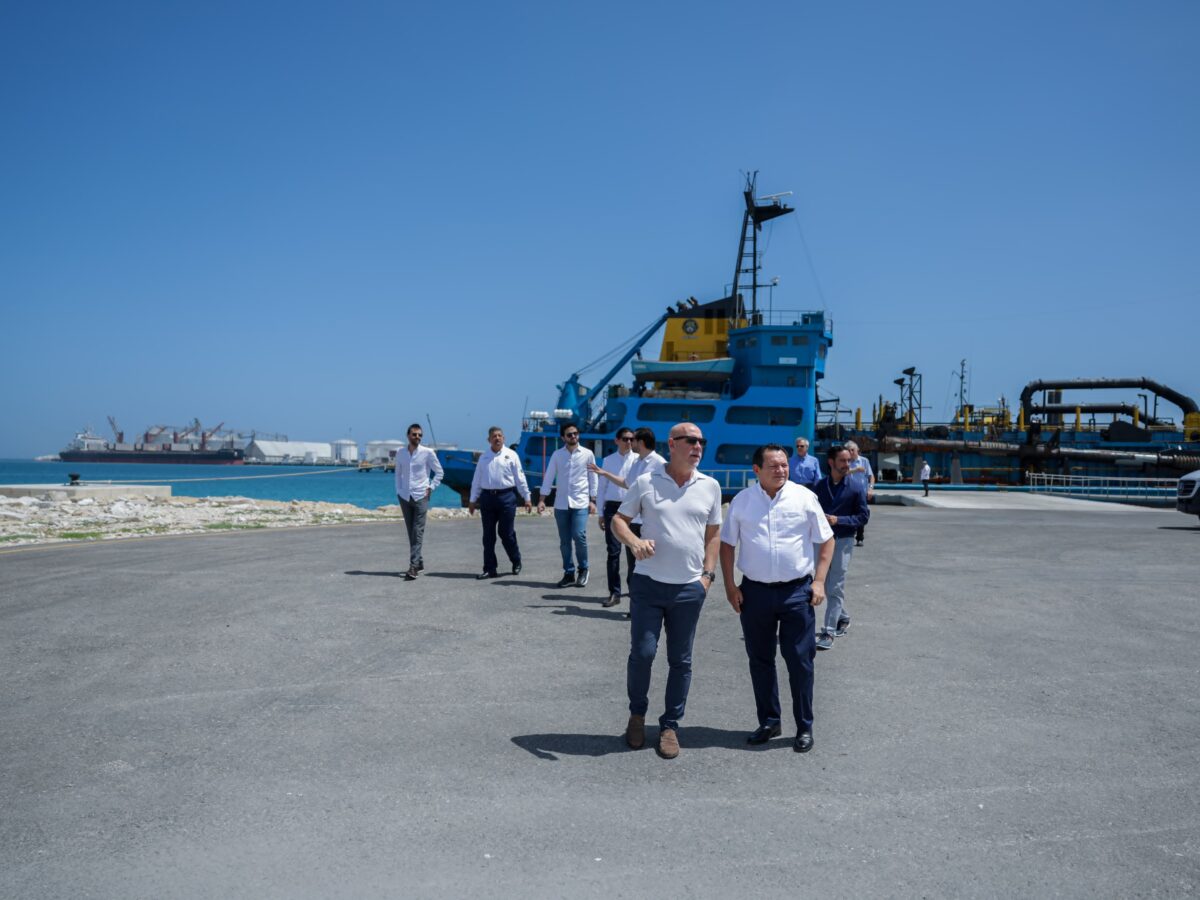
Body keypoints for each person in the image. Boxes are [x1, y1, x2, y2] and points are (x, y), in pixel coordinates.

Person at [611, 422, 722, 760]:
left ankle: (670, 725)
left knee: (681, 660)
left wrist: (707, 576)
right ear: (672, 444)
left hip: (689, 588)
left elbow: (713, 533)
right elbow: (619, 520)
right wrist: (633, 541)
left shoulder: (710, 486)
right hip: (647, 584)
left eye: (702, 441)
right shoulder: (646, 481)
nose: (698, 447)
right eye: (691, 441)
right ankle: (637, 715)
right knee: (643, 653)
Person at [720, 444, 834, 753]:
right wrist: (731, 587)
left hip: (797, 591)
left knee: (799, 661)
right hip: (754, 592)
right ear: (756, 470)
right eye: (774, 466)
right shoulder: (742, 502)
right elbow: (727, 545)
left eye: (784, 465)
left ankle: (804, 726)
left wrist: (820, 582)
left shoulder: (804, 498)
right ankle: (770, 721)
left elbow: (826, 540)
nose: (781, 470)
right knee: (760, 660)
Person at [813, 446, 870, 651]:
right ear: (831, 462)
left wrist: (839, 520)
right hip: (820, 541)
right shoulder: (819, 486)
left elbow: (863, 517)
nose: (848, 465)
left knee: (835, 585)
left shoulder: (856, 487)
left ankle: (828, 631)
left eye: (849, 461)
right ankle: (843, 617)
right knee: (827, 585)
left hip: (843, 541)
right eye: (843, 461)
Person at [538, 422, 598, 588]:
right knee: (564, 541)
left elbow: (593, 477)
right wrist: (542, 499)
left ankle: (584, 569)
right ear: (563, 437)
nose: (573, 436)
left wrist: (593, 500)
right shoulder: (557, 455)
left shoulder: (587, 454)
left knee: (579, 536)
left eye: (576, 433)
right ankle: (569, 572)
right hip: (561, 504)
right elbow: (549, 476)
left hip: (580, 503)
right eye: (570, 434)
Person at [468, 427, 532, 579]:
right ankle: (490, 569)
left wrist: (527, 497)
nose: (497, 438)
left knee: (506, 533)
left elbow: (520, 479)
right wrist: (472, 500)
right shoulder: (484, 458)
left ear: (504, 438)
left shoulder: (511, 455)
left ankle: (516, 560)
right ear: (488, 440)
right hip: (487, 499)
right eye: (494, 436)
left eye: (499, 436)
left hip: (507, 498)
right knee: (488, 536)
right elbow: (476, 481)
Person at [394, 422, 444, 580]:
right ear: (408, 435)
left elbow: (439, 472)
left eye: (420, 435)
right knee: (411, 531)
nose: (418, 437)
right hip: (404, 496)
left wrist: (431, 487)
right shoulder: (400, 453)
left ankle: (413, 567)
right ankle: (420, 562)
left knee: (418, 531)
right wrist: (399, 491)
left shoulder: (427, 453)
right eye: (415, 434)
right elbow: (398, 473)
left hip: (421, 495)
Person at [595, 427, 636, 607]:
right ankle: (614, 592)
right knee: (613, 552)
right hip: (612, 508)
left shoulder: (638, 460)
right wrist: (600, 513)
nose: (629, 442)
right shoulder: (608, 461)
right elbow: (601, 487)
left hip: (633, 508)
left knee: (633, 553)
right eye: (625, 439)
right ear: (617, 440)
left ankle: (634, 594)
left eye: (631, 439)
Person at [844, 441, 875, 546]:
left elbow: (871, 476)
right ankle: (849, 534)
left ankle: (860, 537)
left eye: (853, 450)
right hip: (849, 492)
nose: (851, 452)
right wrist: (856, 469)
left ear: (857, 451)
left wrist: (870, 488)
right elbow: (844, 473)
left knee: (862, 513)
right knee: (849, 513)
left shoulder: (864, 461)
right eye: (848, 450)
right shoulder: (846, 461)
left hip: (862, 492)